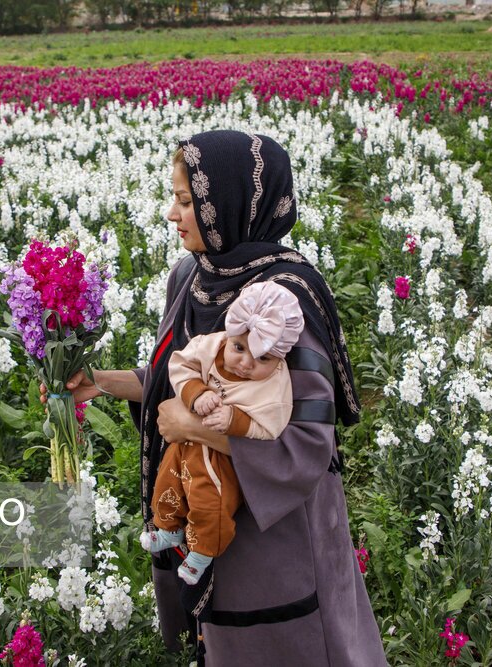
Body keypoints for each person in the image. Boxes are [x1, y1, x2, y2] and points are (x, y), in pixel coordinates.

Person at [46, 130, 386, 666]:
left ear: (226, 205)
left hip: (274, 541)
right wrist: (102, 381)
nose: (172, 214)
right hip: (203, 504)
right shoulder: (193, 277)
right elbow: (184, 379)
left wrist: (194, 428)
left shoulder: (282, 300)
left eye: (186, 202)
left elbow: (306, 445)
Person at [142, 281, 305, 586]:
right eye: (239, 348)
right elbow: (181, 365)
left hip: (220, 460)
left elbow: (270, 427)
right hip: (184, 445)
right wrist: (195, 393)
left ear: (281, 358)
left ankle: (202, 553)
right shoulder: (213, 345)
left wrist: (234, 420)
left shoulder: (275, 386)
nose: (245, 363)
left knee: (209, 501)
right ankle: (168, 527)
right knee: (168, 478)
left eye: (263, 358)